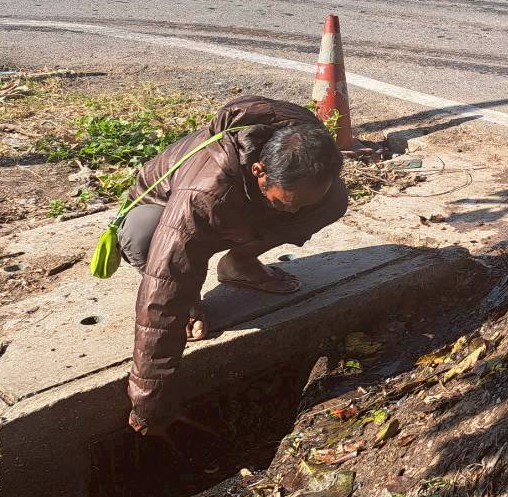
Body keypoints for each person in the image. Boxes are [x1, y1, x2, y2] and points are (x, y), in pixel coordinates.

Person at [118, 96, 347, 438]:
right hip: (161, 211)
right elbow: (164, 286)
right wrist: (149, 405)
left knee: (334, 200)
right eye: (284, 203)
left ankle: (239, 263)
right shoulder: (204, 191)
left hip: (238, 204)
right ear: (259, 171)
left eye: (300, 206)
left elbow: (304, 199)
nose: (293, 215)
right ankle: (191, 303)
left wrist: (295, 206)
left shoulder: (310, 146)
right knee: (144, 236)